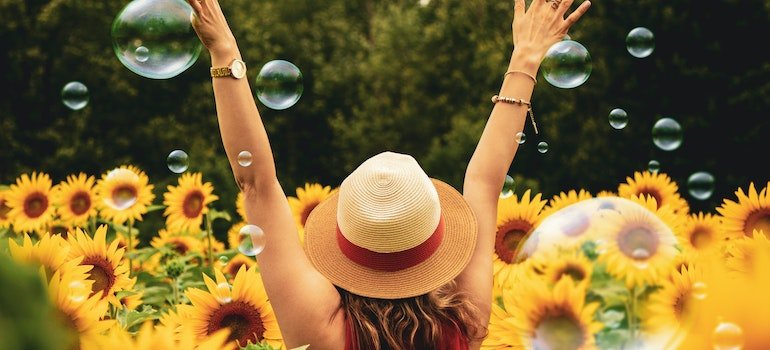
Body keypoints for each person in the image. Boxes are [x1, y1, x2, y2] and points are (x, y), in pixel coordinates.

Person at [187, 0, 590, 348]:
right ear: (435, 241)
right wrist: (525, 58)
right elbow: (485, 181)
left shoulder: (322, 331)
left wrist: (224, 53)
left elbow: (256, 182)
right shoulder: (464, 323)